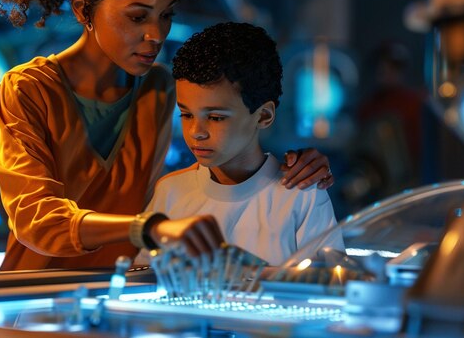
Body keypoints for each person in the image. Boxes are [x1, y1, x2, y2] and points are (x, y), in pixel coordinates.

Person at [0, 0, 334, 271]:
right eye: (137, 16)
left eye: (165, 15)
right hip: (34, 296)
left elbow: (186, 181)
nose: (155, 34)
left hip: (120, 297)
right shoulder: (28, 90)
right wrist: (150, 228)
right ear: (82, 9)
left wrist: (288, 169)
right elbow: (36, 219)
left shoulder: (158, 88)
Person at [137, 23, 344, 266]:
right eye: (186, 114)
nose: (196, 132)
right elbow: (143, 277)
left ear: (264, 116)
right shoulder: (171, 192)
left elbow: (330, 284)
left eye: (215, 118)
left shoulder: (301, 195)